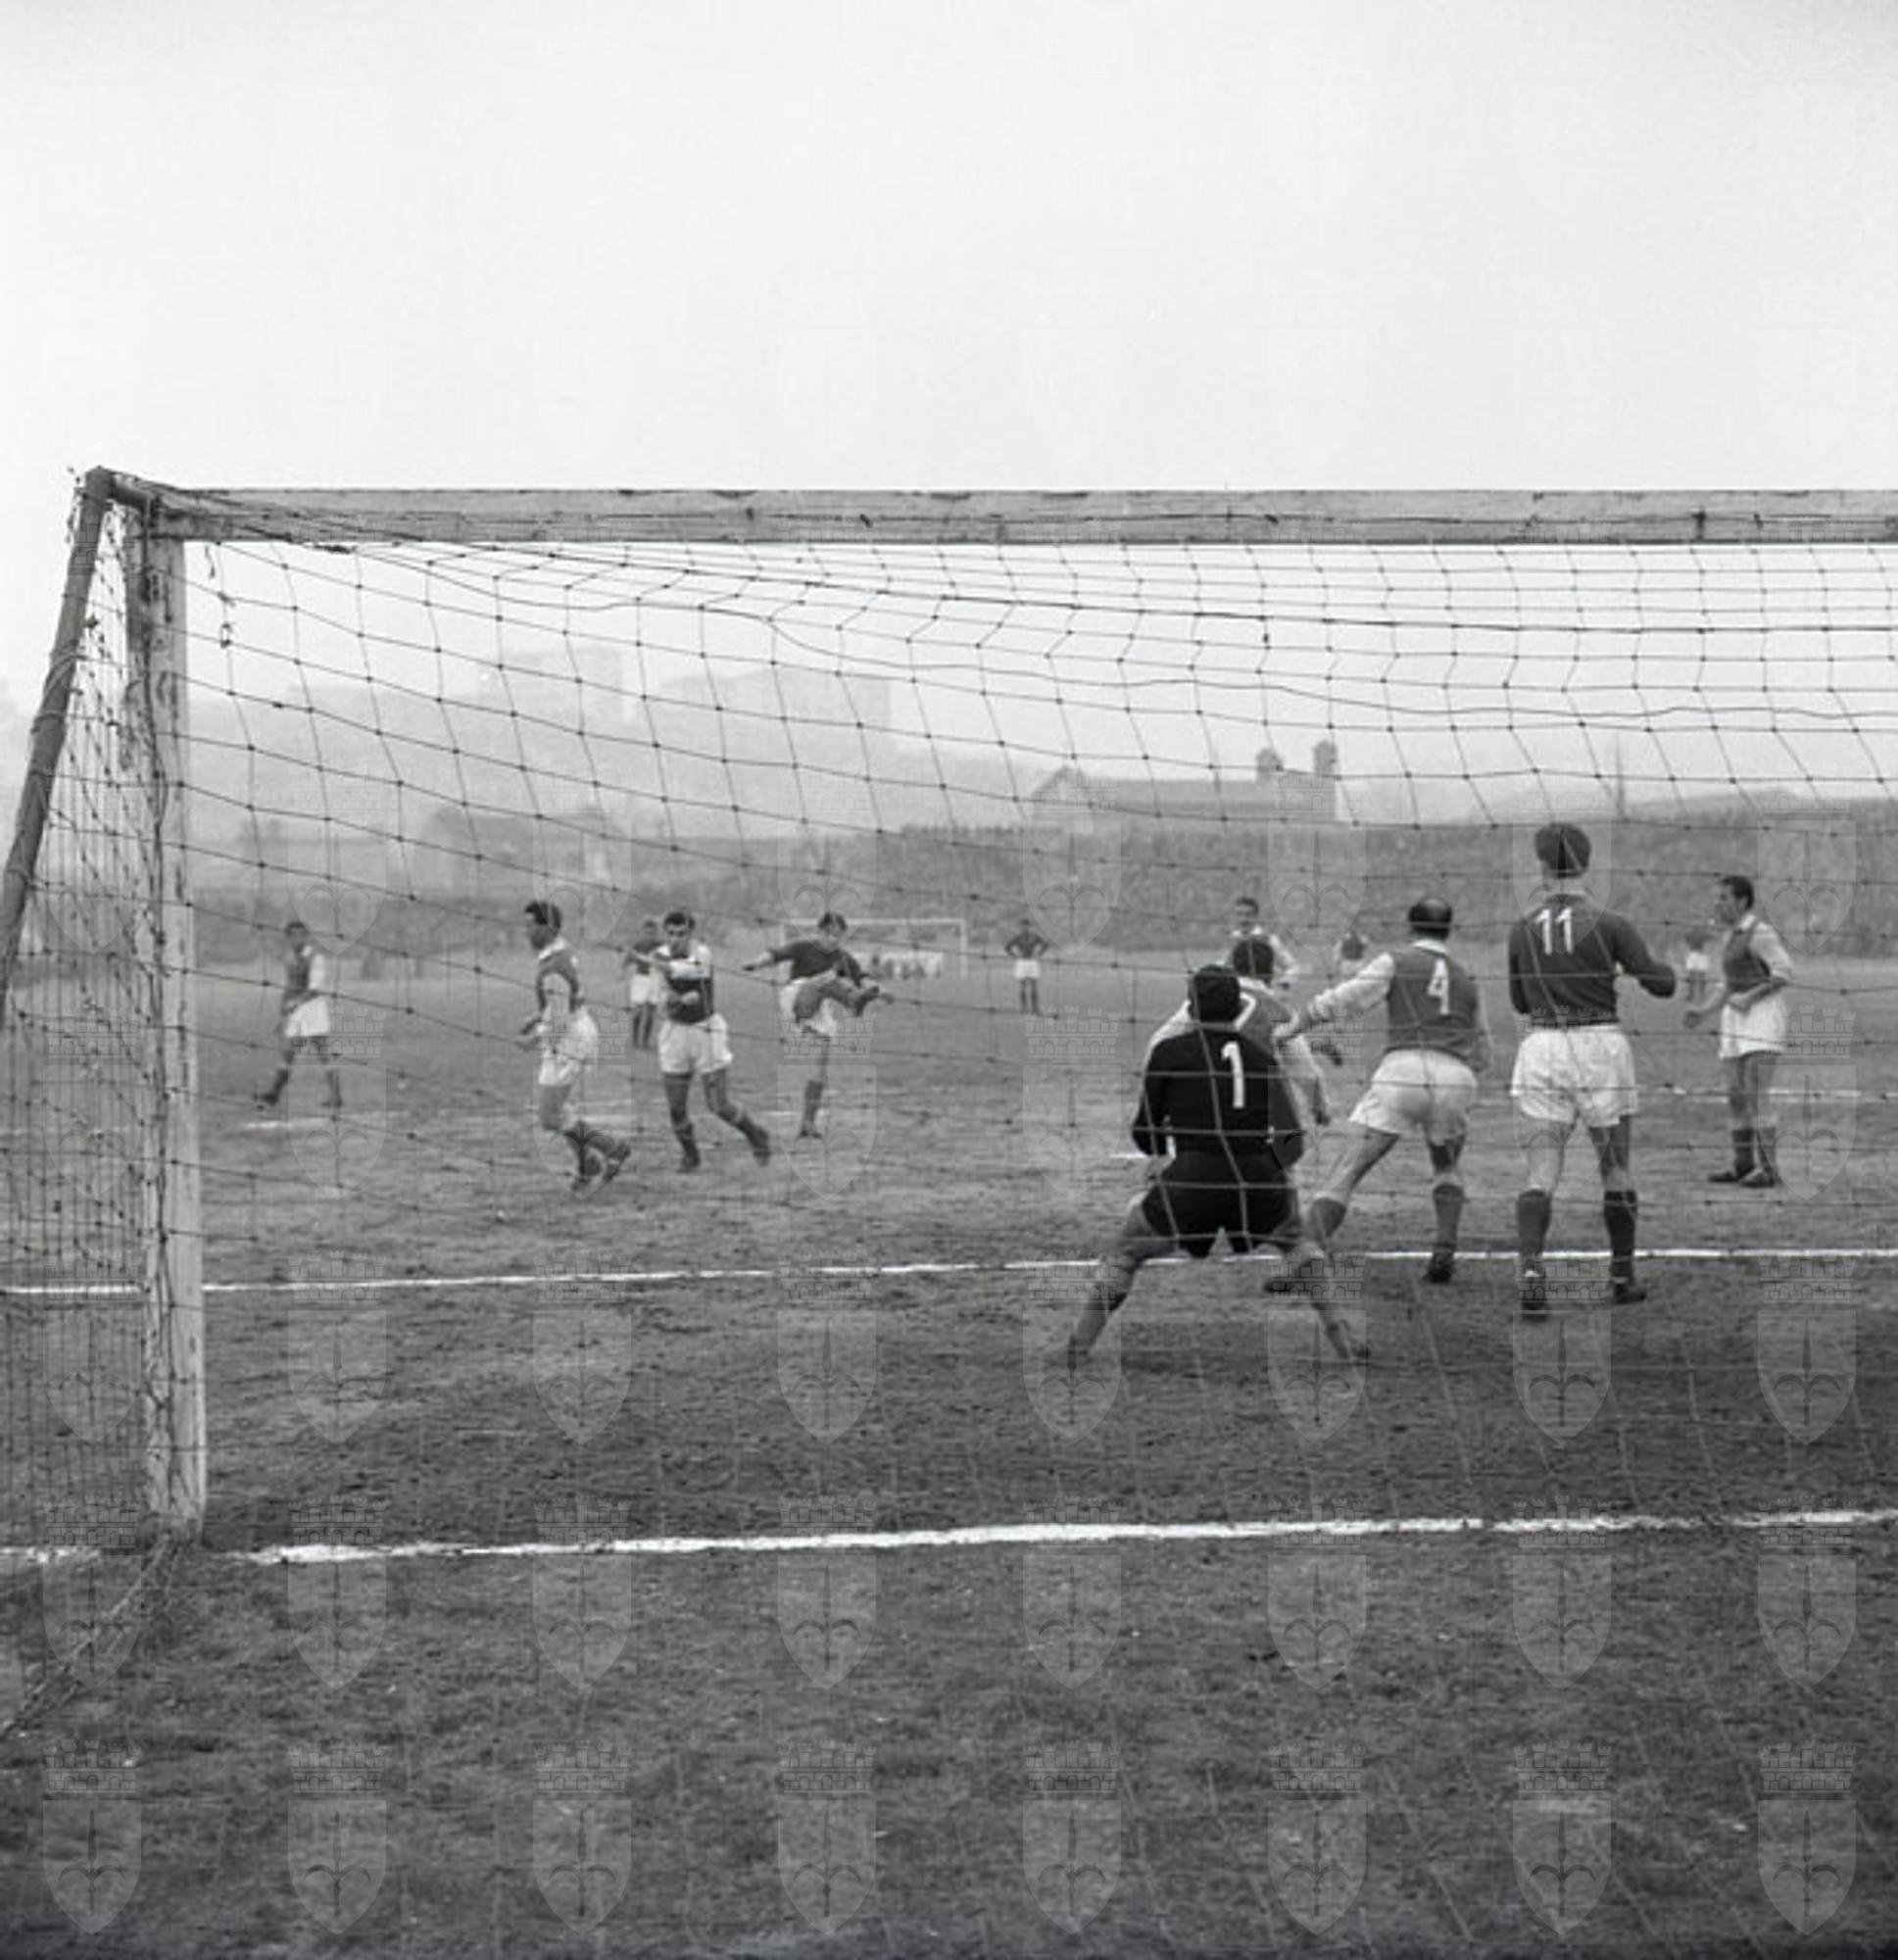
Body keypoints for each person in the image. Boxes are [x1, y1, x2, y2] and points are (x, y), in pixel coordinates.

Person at [1066, 965, 1361, 1370]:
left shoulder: (1168, 1052)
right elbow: (1290, 1136)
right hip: (1257, 1179)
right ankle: (1343, 1339)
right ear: (1238, 1007)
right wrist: (1272, 1172)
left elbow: (1144, 1130)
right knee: (1297, 1241)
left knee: (1127, 1249)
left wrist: (1162, 1158)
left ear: (1190, 1008)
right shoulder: (1262, 1058)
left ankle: (1079, 1345)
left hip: (1192, 1179)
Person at [1506, 822, 1676, 1311]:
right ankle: (1622, 1277)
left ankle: (1532, 1271)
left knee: (1541, 1172)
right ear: (1586, 863)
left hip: (1542, 1046)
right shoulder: (1611, 923)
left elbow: (1519, 1002)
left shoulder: (1522, 927)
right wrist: (1661, 971)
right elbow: (1660, 985)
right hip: (1600, 1044)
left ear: (1542, 865)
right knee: (1615, 1168)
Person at [1278, 899, 1491, 1284]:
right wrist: (1455, 1075)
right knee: (1446, 1166)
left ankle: (1299, 1265)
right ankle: (1444, 1247)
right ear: (1449, 930)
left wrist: (1293, 1028)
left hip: (1402, 1071)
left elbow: (1346, 998)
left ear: (1410, 927)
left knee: (1347, 1171)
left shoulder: (1397, 960)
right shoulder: (1466, 978)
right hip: (1455, 1075)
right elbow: (1484, 1048)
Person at [1684, 874, 1794, 1188]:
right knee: (1735, 1094)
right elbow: (1728, 985)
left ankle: (1769, 1169)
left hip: (1762, 1015)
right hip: (1734, 1020)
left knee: (1755, 1091)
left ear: (1742, 901)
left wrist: (1750, 997)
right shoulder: (1729, 936)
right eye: (1716, 897)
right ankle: (1743, 1164)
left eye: (1724, 898)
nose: (1717, 904)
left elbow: (1784, 972)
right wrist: (1703, 1011)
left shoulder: (1760, 932)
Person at [518, 901, 631, 1194]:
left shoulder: (553, 965)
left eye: (530, 926)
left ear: (547, 928)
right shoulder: (561, 953)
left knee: (549, 1117)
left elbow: (559, 1019)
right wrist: (536, 1016)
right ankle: (586, 1164)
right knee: (559, 1110)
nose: (525, 931)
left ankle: (611, 1148)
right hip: (575, 1030)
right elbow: (565, 1000)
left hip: (569, 1039)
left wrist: (533, 1038)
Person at [649, 908, 771, 1173]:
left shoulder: (702, 953)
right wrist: (674, 1000)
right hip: (674, 1033)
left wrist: (664, 969)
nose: (675, 939)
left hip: (707, 1031)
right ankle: (690, 1156)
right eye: (671, 934)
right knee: (676, 1106)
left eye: (681, 934)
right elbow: (659, 998)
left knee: (718, 1105)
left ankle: (756, 1134)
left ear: (691, 934)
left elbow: (690, 971)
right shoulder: (659, 956)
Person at [742, 910, 883, 1138]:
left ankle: (808, 1123)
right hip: (796, 997)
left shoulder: (842, 957)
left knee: (819, 1068)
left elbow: (862, 977)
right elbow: (775, 954)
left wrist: (877, 990)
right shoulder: (803, 947)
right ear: (819, 932)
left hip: (818, 1008)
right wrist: (755, 963)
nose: (833, 940)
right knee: (830, 978)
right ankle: (853, 1002)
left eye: (838, 936)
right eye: (829, 934)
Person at [256, 918, 343, 1112]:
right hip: (297, 1011)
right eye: (292, 936)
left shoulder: (316, 958)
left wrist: (295, 1003)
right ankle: (274, 1094)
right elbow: (290, 987)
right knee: (288, 1052)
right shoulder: (290, 958)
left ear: (306, 936)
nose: (296, 939)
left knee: (323, 1052)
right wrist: (282, 1014)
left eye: (300, 935)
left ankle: (336, 1095)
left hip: (313, 1010)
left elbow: (314, 989)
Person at [1229, 894, 1301, 994]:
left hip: (1262, 993)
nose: (1243, 919)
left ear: (1256, 917)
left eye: (1248, 915)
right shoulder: (1231, 940)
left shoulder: (1268, 940)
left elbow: (1293, 966)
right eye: (1239, 915)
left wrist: (1283, 984)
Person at [621, 917, 663, 1052]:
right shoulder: (638, 945)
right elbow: (627, 960)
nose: (649, 935)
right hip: (640, 979)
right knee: (638, 1011)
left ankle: (645, 1042)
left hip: (655, 979)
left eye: (652, 933)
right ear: (643, 932)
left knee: (650, 1011)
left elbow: (660, 960)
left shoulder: (660, 946)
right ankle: (635, 1041)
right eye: (647, 932)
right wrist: (623, 970)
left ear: (656, 933)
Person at [1004, 917, 1052, 1016]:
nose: (1025, 928)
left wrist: (1039, 953)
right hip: (1022, 962)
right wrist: (1015, 955)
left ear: (1029, 927)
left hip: (1032, 961)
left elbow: (1045, 944)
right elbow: (1007, 947)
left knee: (1034, 985)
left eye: (1026, 926)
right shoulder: (1018, 938)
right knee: (1022, 985)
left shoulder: (1034, 937)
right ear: (1020, 927)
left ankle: (1035, 1008)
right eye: (1023, 926)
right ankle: (1024, 1008)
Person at [1681, 923, 1712, 1008]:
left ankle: (1691, 996)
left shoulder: (1691, 932)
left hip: (1693, 954)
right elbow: (1712, 938)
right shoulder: (1703, 932)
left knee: (1691, 977)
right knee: (1701, 977)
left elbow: (1685, 939)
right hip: (1700, 954)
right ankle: (1701, 996)